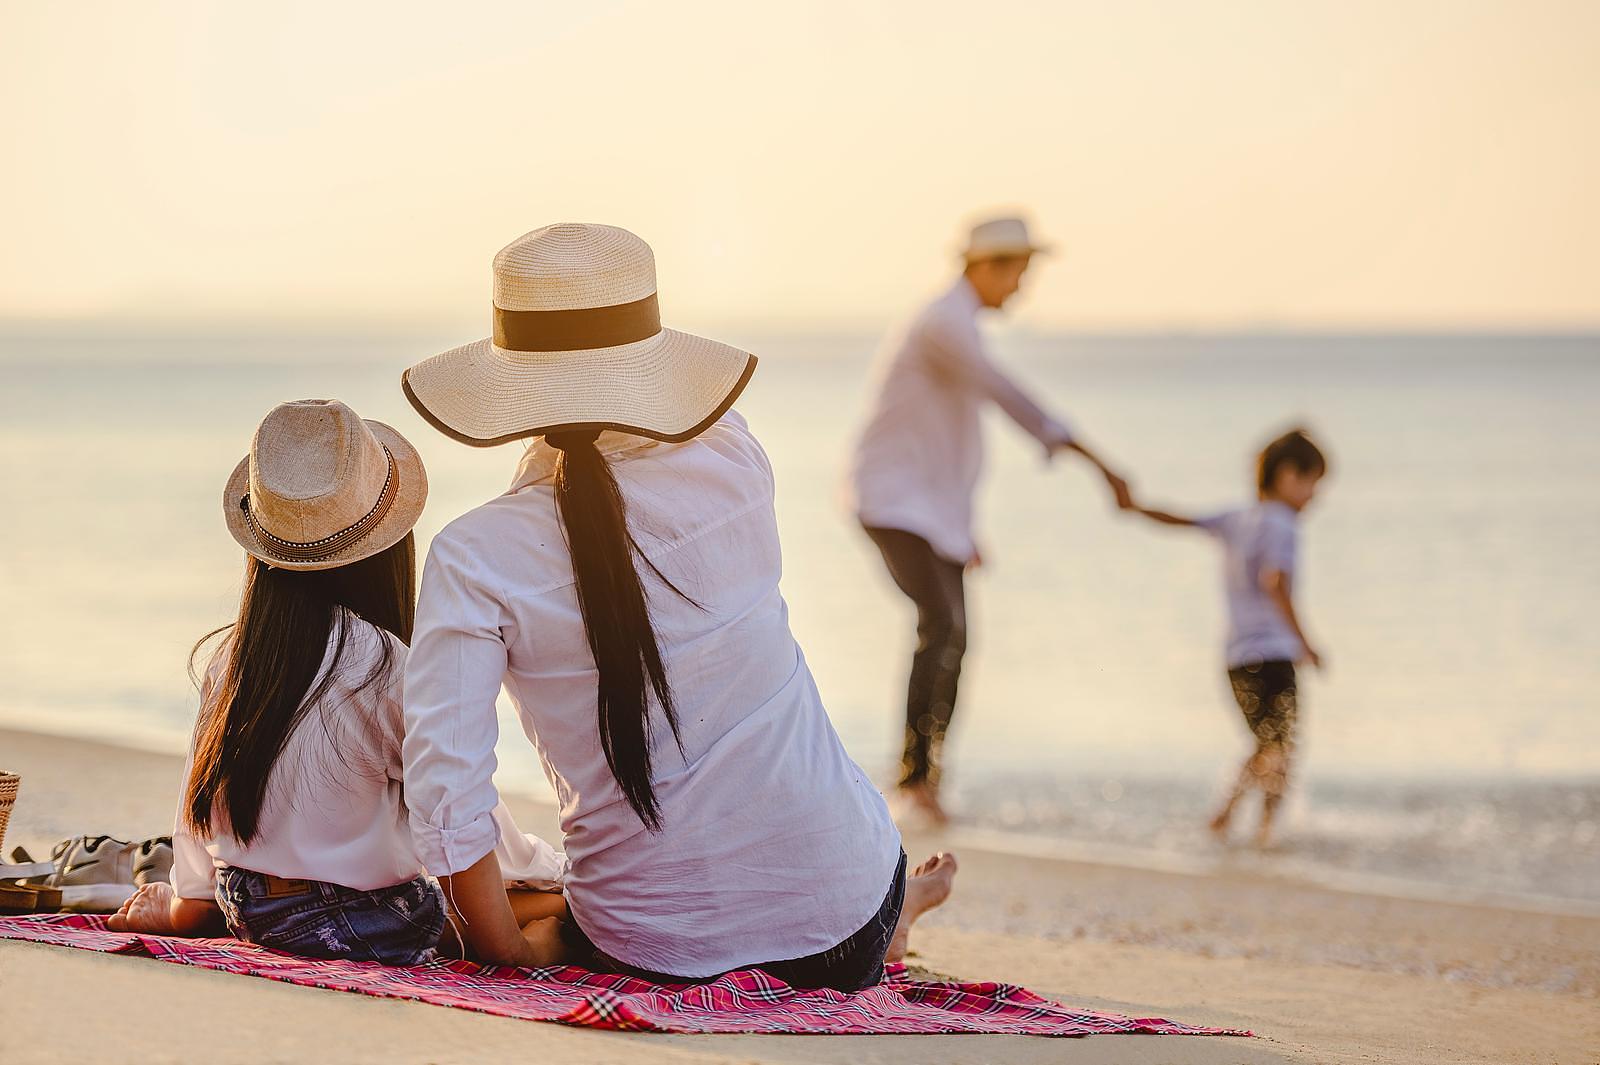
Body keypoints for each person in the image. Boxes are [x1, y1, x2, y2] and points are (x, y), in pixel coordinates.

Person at [399, 223, 956, 991]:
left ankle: (885, 915)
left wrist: (507, 952)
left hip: (643, 947)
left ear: (510, 383)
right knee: (834, 842)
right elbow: (617, 480)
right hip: (844, 920)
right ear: (650, 362)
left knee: (543, 902)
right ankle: (895, 913)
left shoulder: (475, 554)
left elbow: (446, 789)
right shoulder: (737, 462)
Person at [108, 400, 567, 963]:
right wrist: (549, 871)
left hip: (245, 906)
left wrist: (188, 903)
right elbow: (464, 810)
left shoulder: (232, 654)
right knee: (559, 910)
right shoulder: (388, 666)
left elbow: (195, 801)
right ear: (389, 545)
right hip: (353, 919)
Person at [847, 215, 1131, 824]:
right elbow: (1010, 395)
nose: (1022, 288)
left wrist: (962, 530)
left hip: (927, 509)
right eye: (1018, 273)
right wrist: (1098, 463)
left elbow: (945, 441)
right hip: (891, 501)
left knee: (956, 633)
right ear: (985, 266)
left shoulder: (958, 326)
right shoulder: (943, 324)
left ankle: (925, 778)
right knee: (942, 621)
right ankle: (914, 779)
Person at [1122, 428, 1329, 849]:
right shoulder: (1282, 523)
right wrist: (1304, 641)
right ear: (1289, 476)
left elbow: (1183, 519)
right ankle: (1263, 832)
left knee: (1267, 744)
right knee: (1282, 748)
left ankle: (1225, 817)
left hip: (1235, 658)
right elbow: (1276, 582)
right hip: (1272, 652)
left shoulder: (1238, 517)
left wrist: (1135, 507)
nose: (1314, 496)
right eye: (1313, 483)